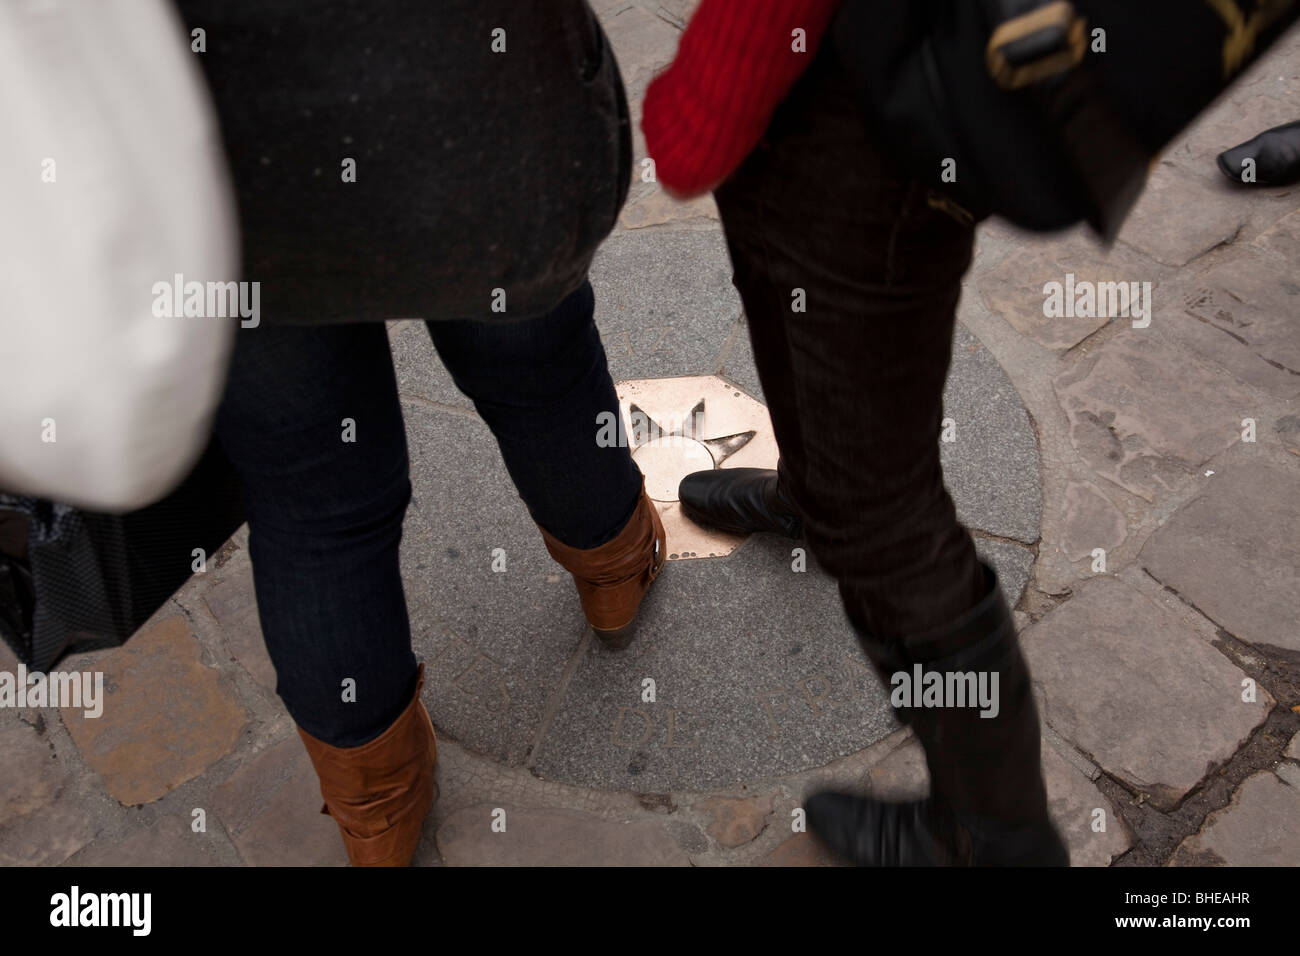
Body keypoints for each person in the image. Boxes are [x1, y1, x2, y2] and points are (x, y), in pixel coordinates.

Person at [173, 0, 664, 866]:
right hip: (470, 105)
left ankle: (379, 812)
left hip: (230, 170)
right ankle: (613, 572)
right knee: (540, 369)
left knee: (314, 502)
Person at [643, 0, 1068, 865]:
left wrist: (703, 98)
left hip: (874, 120)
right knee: (776, 291)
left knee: (886, 519)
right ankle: (809, 495)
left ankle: (996, 838)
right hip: (826, 100)